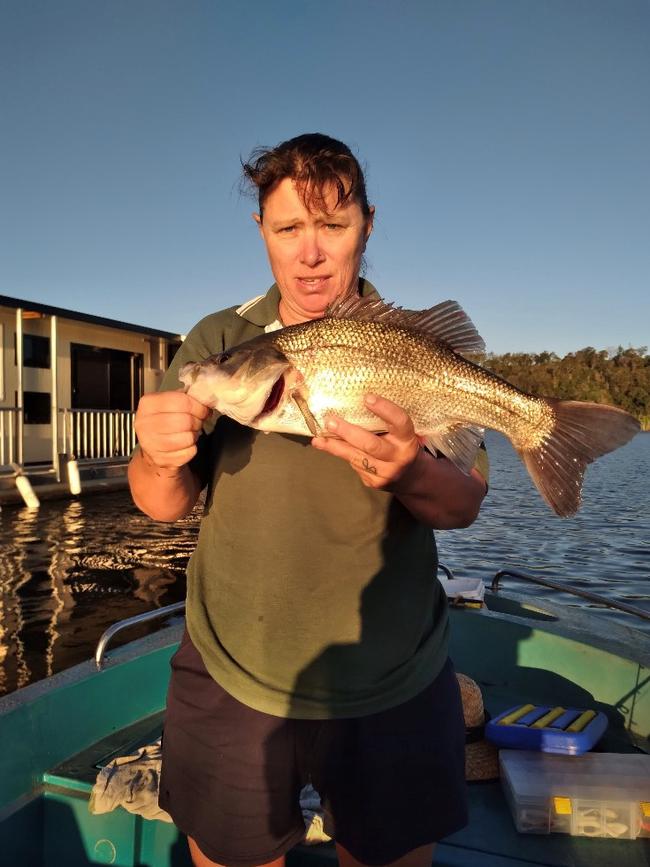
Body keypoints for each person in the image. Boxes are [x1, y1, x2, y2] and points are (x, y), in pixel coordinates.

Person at [128, 133, 488, 867]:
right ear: (262, 230)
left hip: (392, 674)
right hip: (232, 667)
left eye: (333, 225)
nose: (311, 252)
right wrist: (157, 454)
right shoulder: (223, 338)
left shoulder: (407, 342)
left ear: (368, 224)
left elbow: (462, 505)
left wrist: (411, 473)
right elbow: (162, 503)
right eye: (290, 228)